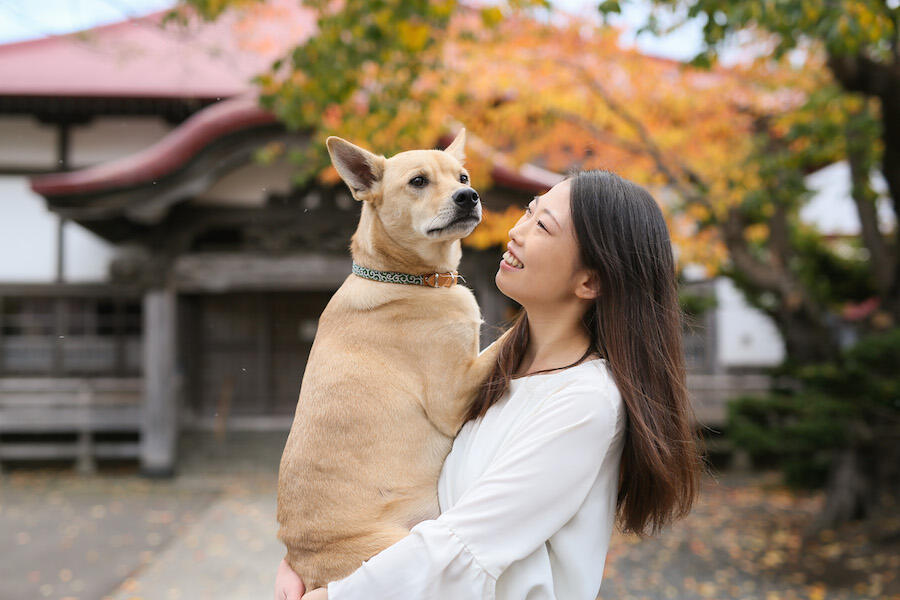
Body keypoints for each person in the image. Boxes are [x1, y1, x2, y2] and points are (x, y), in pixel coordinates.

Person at [274, 168, 707, 600]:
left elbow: (466, 546)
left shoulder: (585, 402)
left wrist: (336, 594)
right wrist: (314, 553)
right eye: (529, 211)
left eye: (543, 226)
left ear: (590, 281)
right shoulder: (500, 373)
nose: (516, 231)